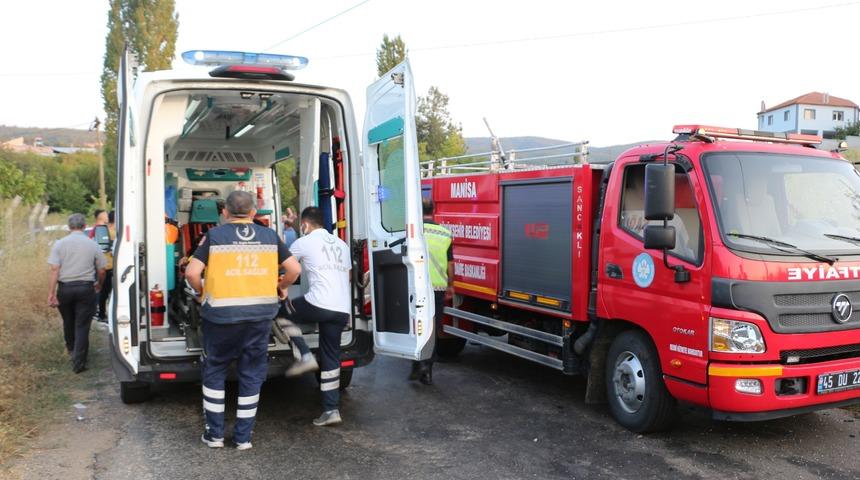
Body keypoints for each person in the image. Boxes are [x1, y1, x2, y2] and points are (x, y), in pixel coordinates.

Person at [185, 191, 301, 450]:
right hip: (259, 318)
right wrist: (281, 287)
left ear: (225, 213)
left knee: (215, 370)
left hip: (221, 318)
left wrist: (202, 292)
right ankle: (243, 438)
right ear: (253, 213)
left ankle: (214, 435)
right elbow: (294, 269)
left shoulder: (214, 236)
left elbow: (192, 273)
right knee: (251, 373)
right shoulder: (270, 236)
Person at [278, 206, 351, 427]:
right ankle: (331, 410)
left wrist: (282, 286)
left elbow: (288, 268)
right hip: (342, 308)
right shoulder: (342, 244)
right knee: (331, 357)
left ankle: (304, 355)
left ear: (305, 225)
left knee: (281, 311)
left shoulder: (303, 242)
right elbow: (347, 276)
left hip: (319, 302)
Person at [48, 213, 107, 373]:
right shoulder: (93, 244)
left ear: (69, 227)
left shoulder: (59, 244)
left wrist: (51, 293)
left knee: (68, 321)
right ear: (84, 226)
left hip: (65, 288)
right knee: (82, 325)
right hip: (85, 288)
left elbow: (54, 269)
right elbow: (102, 270)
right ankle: (79, 362)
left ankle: (71, 350)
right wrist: (99, 284)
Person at [410, 198, 454, 385]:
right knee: (432, 328)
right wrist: (451, 285)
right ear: (433, 211)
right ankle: (427, 369)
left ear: (419, 211)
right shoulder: (445, 233)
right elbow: (450, 264)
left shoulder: (414, 233)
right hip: (438, 288)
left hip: (417, 286)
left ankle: (417, 364)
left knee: (416, 325)